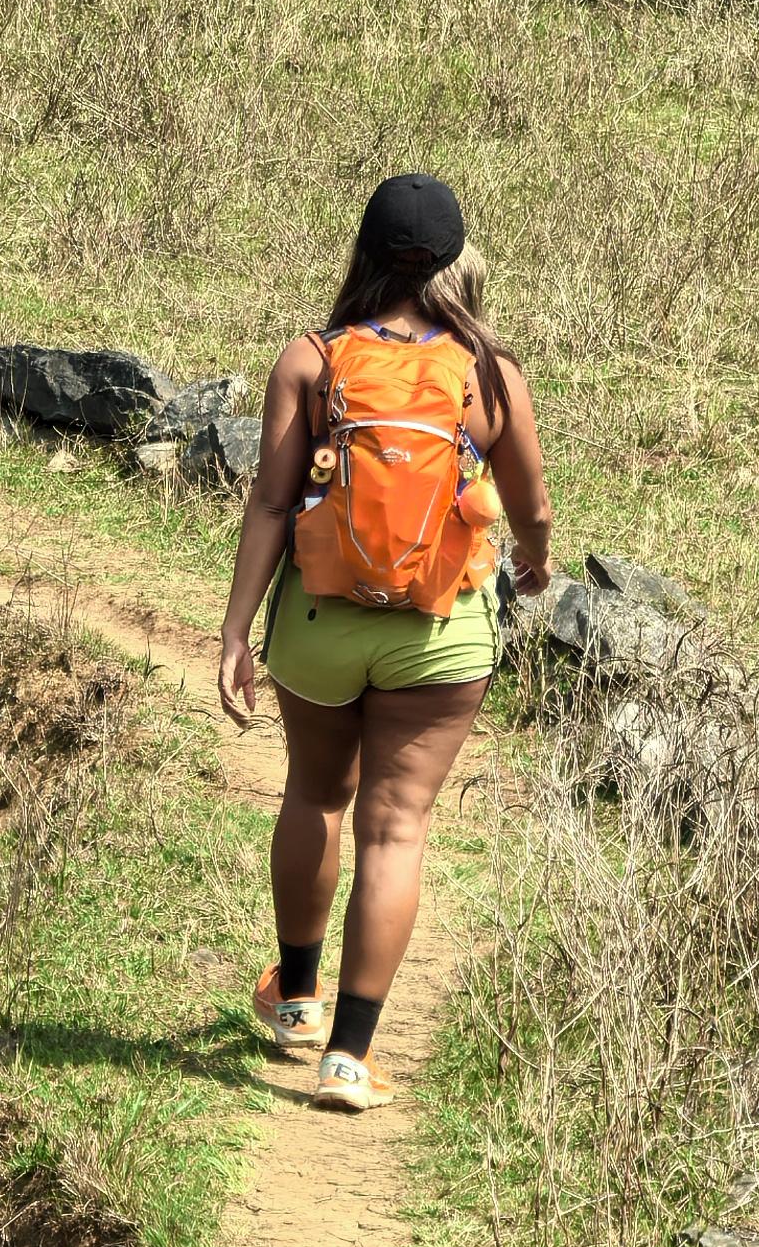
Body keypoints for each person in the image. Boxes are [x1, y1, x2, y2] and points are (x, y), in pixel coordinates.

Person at [214, 170, 551, 1113]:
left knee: (314, 794)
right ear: (453, 260)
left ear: (364, 252)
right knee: (395, 828)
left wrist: (237, 629)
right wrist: (534, 558)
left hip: (319, 624)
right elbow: (530, 507)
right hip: (440, 635)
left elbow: (272, 503)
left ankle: (296, 1002)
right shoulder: (491, 373)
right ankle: (350, 1060)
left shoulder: (313, 360)